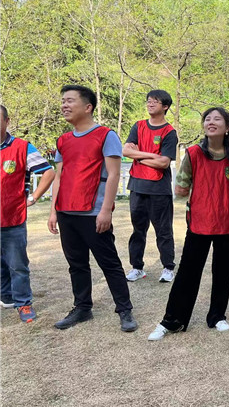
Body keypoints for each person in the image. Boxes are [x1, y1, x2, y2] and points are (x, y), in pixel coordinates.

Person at [48, 85, 138, 332]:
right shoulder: (63, 140)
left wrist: (106, 210)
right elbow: (59, 176)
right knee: (76, 263)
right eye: (63, 101)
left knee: (109, 263)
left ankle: (125, 310)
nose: (64, 105)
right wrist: (54, 210)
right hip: (67, 212)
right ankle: (82, 308)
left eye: (70, 101)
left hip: (93, 212)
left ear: (87, 107)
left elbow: (113, 174)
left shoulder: (106, 135)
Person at [148, 107, 229, 340]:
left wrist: (224, 204)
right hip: (199, 222)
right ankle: (172, 321)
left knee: (223, 271)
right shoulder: (193, 154)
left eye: (217, 119)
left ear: (227, 127)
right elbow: (181, 189)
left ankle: (217, 316)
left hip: (226, 222)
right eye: (207, 119)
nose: (211, 122)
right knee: (188, 272)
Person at [1, 105, 55, 322]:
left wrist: (32, 198)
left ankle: (24, 303)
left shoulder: (22, 147)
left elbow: (48, 172)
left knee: (18, 265)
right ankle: (6, 297)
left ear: (7, 121)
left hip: (12, 218)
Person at [123, 90, 177, 283]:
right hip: (137, 186)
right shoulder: (138, 126)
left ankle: (168, 267)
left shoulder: (169, 132)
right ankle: (137, 267)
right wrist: (152, 155)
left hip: (159, 189)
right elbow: (125, 150)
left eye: (155, 101)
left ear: (165, 107)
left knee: (163, 230)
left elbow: (163, 163)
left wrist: (141, 155)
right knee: (138, 230)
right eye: (148, 101)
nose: (150, 104)